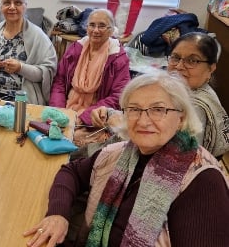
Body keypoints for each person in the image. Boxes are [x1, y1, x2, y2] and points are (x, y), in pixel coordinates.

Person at [24, 70, 229, 247]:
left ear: (181, 118)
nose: (143, 120)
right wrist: (58, 214)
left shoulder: (203, 182)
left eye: (158, 109)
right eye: (134, 109)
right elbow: (71, 172)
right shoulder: (118, 154)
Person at [92, 32, 229, 158]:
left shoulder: (195, 107)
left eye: (192, 61)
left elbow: (166, 156)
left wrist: (120, 125)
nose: (180, 66)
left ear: (211, 68)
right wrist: (110, 113)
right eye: (175, 58)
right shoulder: (180, 91)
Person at [0, 0, 57, 104]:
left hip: (23, 98)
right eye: (7, 2)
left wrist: (21, 68)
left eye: (17, 3)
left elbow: (47, 72)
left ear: (25, 6)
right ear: (0, 7)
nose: (12, 7)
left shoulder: (39, 36)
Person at [49, 8, 130, 125]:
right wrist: (59, 111)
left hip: (96, 116)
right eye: (92, 25)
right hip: (66, 109)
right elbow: (59, 82)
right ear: (86, 28)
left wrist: (84, 117)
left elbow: (119, 95)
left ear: (111, 31)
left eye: (102, 26)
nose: (95, 30)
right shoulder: (75, 49)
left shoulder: (118, 58)